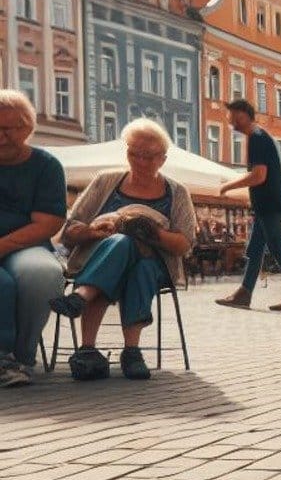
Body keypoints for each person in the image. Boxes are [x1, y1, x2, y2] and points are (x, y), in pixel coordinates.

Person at [51, 119, 196, 380]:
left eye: (148, 156)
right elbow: (69, 231)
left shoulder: (176, 192)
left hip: (155, 265)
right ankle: (132, 353)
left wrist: (152, 232)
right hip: (97, 259)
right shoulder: (106, 181)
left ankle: (83, 311)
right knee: (122, 247)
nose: (140, 161)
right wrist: (94, 231)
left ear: (162, 159)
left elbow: (185, 244)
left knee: (137, 261)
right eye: (134, 153)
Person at [0, 89, 66, 387]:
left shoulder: (46, 166)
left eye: (6, 129)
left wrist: (2, 246)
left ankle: (21, 358)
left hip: (26, 244)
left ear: (27, 127)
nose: (0, 136)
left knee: (42, 273)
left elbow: (48, 223)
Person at [214, 99, 281, 311]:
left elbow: (259, 176)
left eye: (232, 116)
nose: (230, 121)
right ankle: (244, 294)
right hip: (266, 203)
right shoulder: (258, 136)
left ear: (242, 115)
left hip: (270, 203)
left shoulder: (257, 138)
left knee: (277, 248)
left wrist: (228, 186)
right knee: (255, 250)